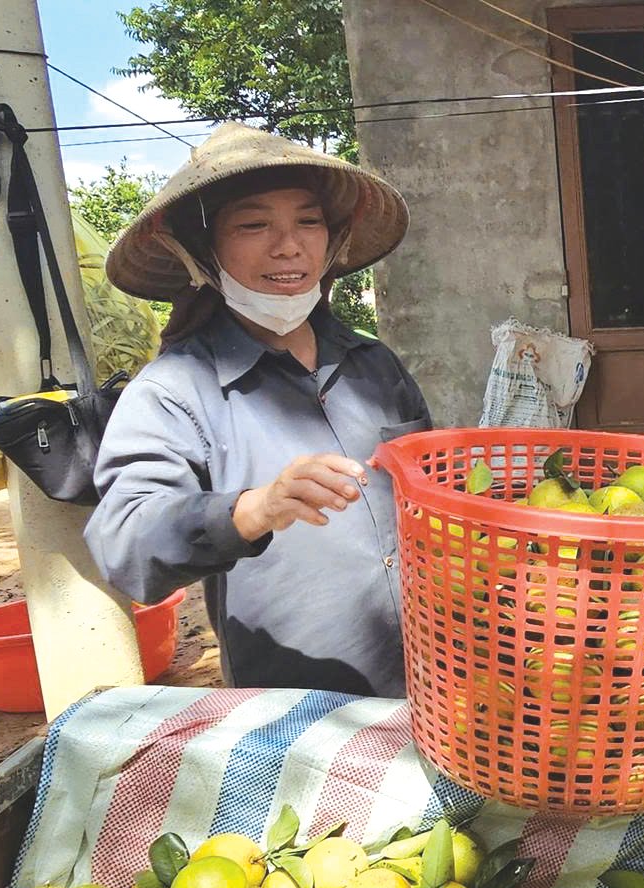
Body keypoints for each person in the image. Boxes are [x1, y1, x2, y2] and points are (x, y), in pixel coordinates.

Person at [88, 124, 430, 694]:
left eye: (308, 222)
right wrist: (257, 508)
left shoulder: (375, 366)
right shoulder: (173, 391)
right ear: (202, 250)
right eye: (253, 225)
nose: (289, 246)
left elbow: (432, 493)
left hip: (437, 674)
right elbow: (125, 546)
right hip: (298, 702)